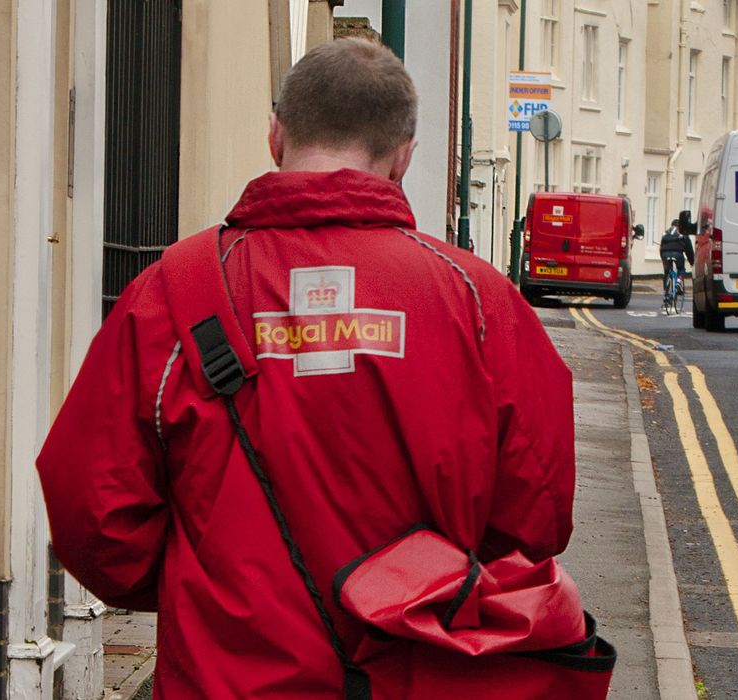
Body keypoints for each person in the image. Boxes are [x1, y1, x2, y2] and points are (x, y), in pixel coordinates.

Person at [38, 39, 597, 697]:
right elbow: (535, 518)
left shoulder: (171, 290)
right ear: (403, 156)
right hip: (415, 673)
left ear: (275, 136)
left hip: (222, 678)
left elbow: (92, 511)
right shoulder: (477, 302)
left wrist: (204, 588)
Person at [659, 218, 694, 287]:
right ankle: (678, 282)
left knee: (667, 272)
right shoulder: (683, 232)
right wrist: (692, 261)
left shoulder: (665, 233)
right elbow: (689, 249)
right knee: (681, 269)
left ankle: (666, 291)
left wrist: (662, 258)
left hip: (665, 254)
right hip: (678, 254)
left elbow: (661, 248)